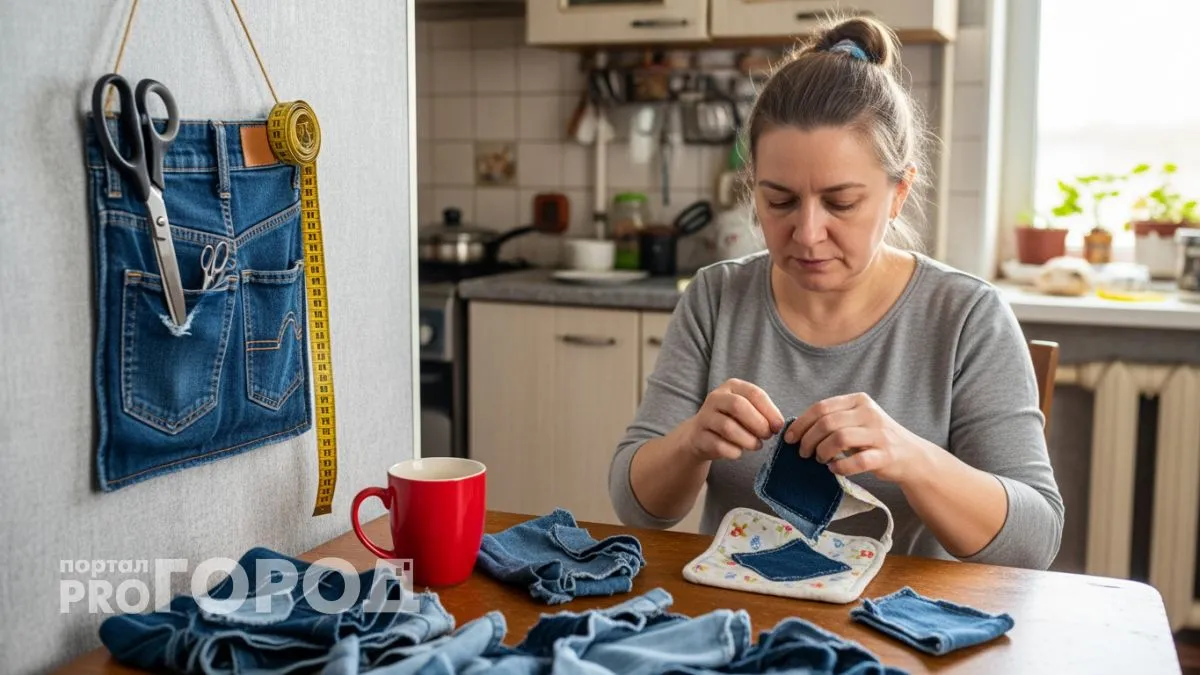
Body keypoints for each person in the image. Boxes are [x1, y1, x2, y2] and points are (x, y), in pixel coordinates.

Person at [608, 16, 1064, 570]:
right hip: (736, 625)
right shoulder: (716, 296)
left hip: (904, 633)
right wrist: (690, 442)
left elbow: (1034, 542)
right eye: (778, 202)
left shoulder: (966, 316)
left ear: (899, 193)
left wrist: (911, 456)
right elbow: (637, 510)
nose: (807, 232)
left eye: (841, 203)